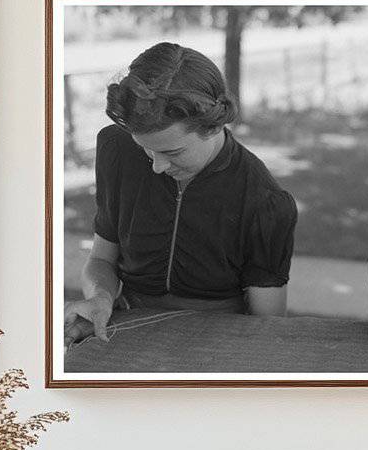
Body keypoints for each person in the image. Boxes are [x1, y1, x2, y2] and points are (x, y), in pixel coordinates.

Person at [64, 42, 298, 347]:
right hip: (125, 328)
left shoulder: (264, 201)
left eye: (172, 152)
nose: (158, 166)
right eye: (145, 149)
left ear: (213, 126)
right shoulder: (116, 150)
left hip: (217, 342)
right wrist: (100, 298)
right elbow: (101, 259)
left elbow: (266, 325)